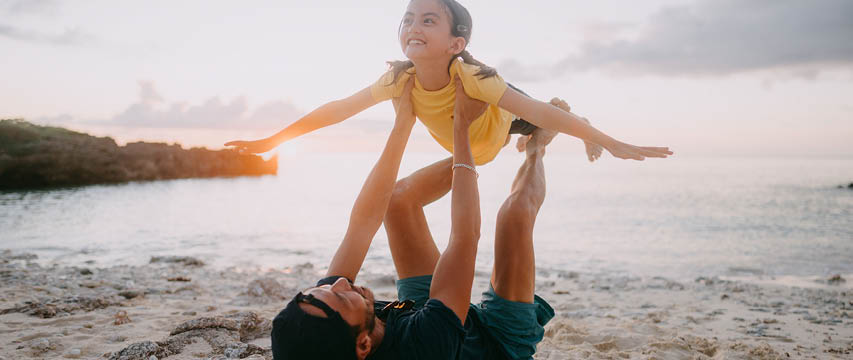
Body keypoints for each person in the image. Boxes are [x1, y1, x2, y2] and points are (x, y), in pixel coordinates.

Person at [272, 76, 553, 360]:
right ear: (364, 345)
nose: (339, 284)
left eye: (322, 289)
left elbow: (362, 223)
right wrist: (462, 127)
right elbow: (464, 238)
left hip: (419, 311)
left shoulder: (322, 316)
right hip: (498, 344)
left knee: (396, 201)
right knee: (513, 216)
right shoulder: (423, 348)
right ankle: (537, 148)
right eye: (342, 297)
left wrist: (402, 123)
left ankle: (491, 143)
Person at [226, 0, 672, 165]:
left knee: (533, 115)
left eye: (428, 19)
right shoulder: (398, 79)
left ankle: (581, 125)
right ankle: (562, 127)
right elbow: (337, 109)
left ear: (456, 42)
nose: (412, 25)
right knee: (524, 124)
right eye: (407, 18)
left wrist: (611, 141)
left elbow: (536, 111)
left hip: (493, 124)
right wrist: (274, 140)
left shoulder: (470, 74)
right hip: (474, 147)